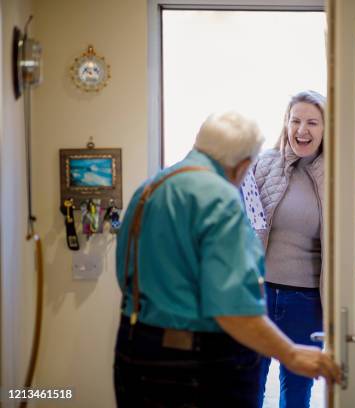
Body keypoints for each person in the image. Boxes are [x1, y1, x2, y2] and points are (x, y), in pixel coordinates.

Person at [113, 112, 340, 408]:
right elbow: (234, 309)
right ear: (243, 165)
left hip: (135, 348)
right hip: (192, 365)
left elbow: (125, 274)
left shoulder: (151, 187)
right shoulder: (219, 200)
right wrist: (292, 354)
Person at [250, 91, 326, 408]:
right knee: (249, 387)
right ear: (286, 122)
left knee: (296, 395)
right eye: (295, 120)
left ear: (326, 128)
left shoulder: (337, 176)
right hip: (260, 295)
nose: (301, 130)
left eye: (311, 122)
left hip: (306, 302)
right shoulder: (264, 164)